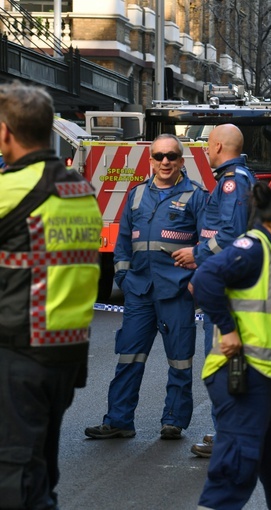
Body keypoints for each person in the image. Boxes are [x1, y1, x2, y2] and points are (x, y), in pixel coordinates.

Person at [0, 82, 102, 509]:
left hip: (18, 351)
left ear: (6, 132)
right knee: (39, 470)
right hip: (65, 353)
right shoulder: (81, 193)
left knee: (16, 480)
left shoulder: (10, 190)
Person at [191, 183, 271, 510]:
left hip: (269, 379)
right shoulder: (253, 248)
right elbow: (204, 280)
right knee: (236, 470)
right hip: (245, 376)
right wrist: (228, 330)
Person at [85, 133, 207, 440]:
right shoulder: (136, 194)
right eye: (159, 156)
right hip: (139, 291)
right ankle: (119, 420)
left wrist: (195, 284)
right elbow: (122, 241)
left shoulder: (197, 195)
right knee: (128, 358)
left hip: (176, 292)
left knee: (179, 361)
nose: (165, 161)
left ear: (181, 161)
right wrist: (124, 278)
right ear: (150, 160)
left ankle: (173, 421)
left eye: (171, 156)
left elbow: (207, 242)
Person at [170, 124, 257, 458]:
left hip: (229, 284)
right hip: (224, 277)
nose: (206, 150)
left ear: (219, 145)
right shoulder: (232, 178)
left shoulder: (233, 181)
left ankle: (230, 437)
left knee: (223, 362)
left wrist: (198, 253)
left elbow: (231, 232)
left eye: (208, 144)